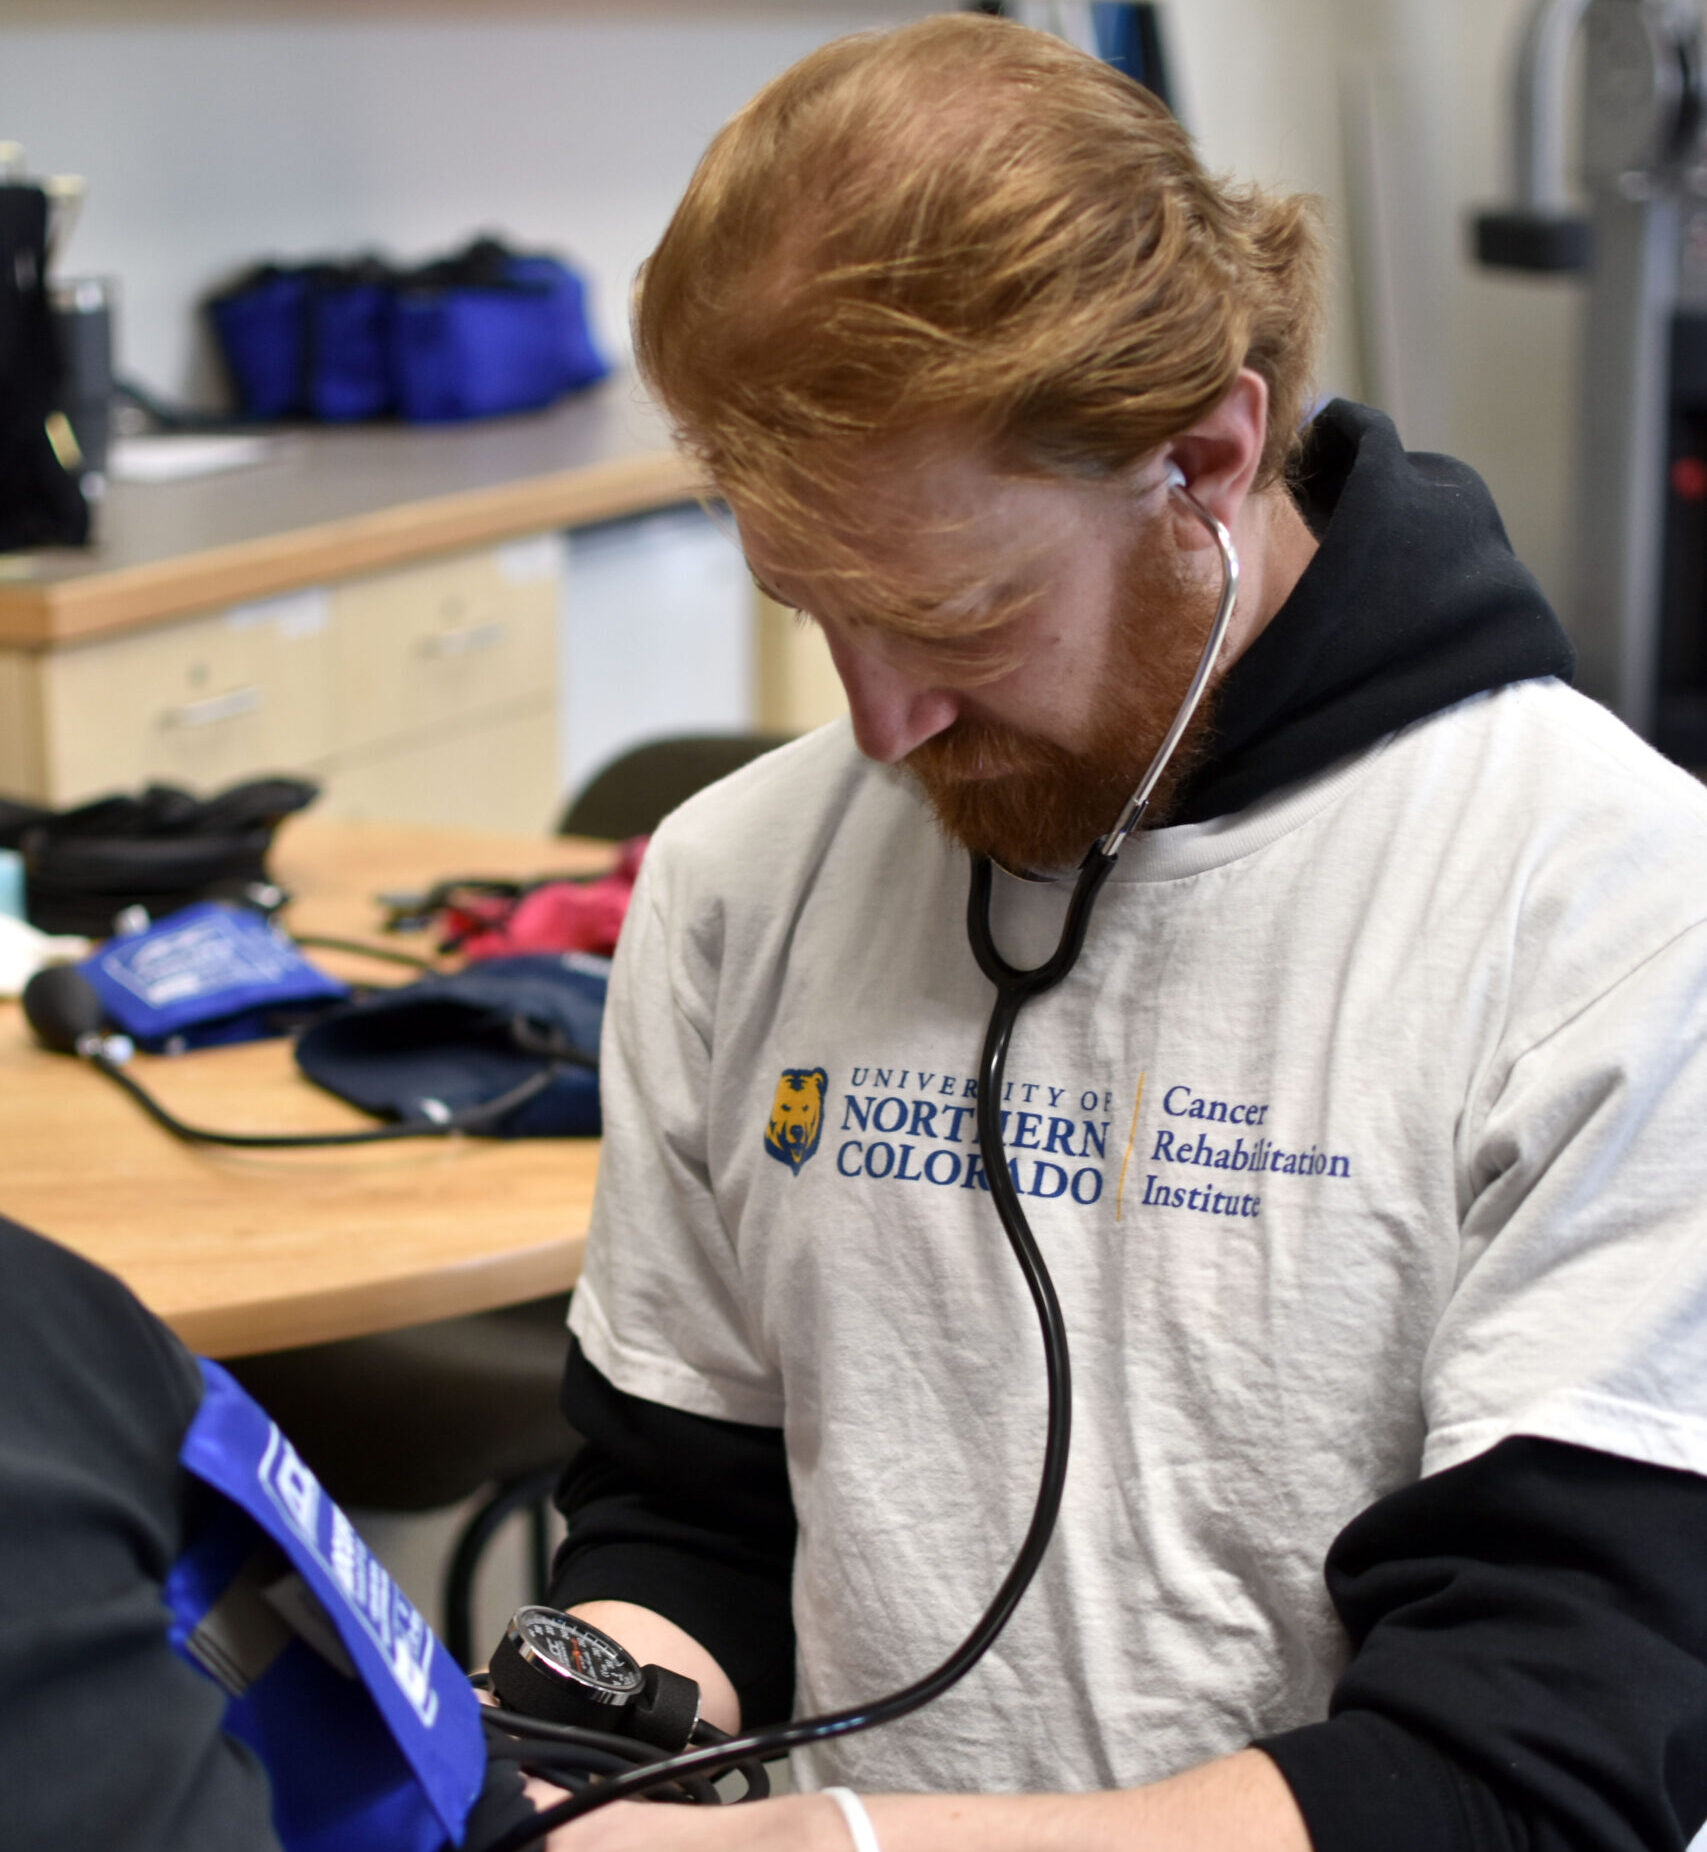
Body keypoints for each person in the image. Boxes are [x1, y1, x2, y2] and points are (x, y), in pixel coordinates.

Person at [539, 13, 1707, 1852]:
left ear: (1207, 457)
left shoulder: (1616, 918)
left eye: (962, 610)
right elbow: (692, 1520)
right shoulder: (735, 876)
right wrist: (556, 1743)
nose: (879, 724)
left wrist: (832, 1850)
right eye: (810, 605)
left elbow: (1529, 1766)